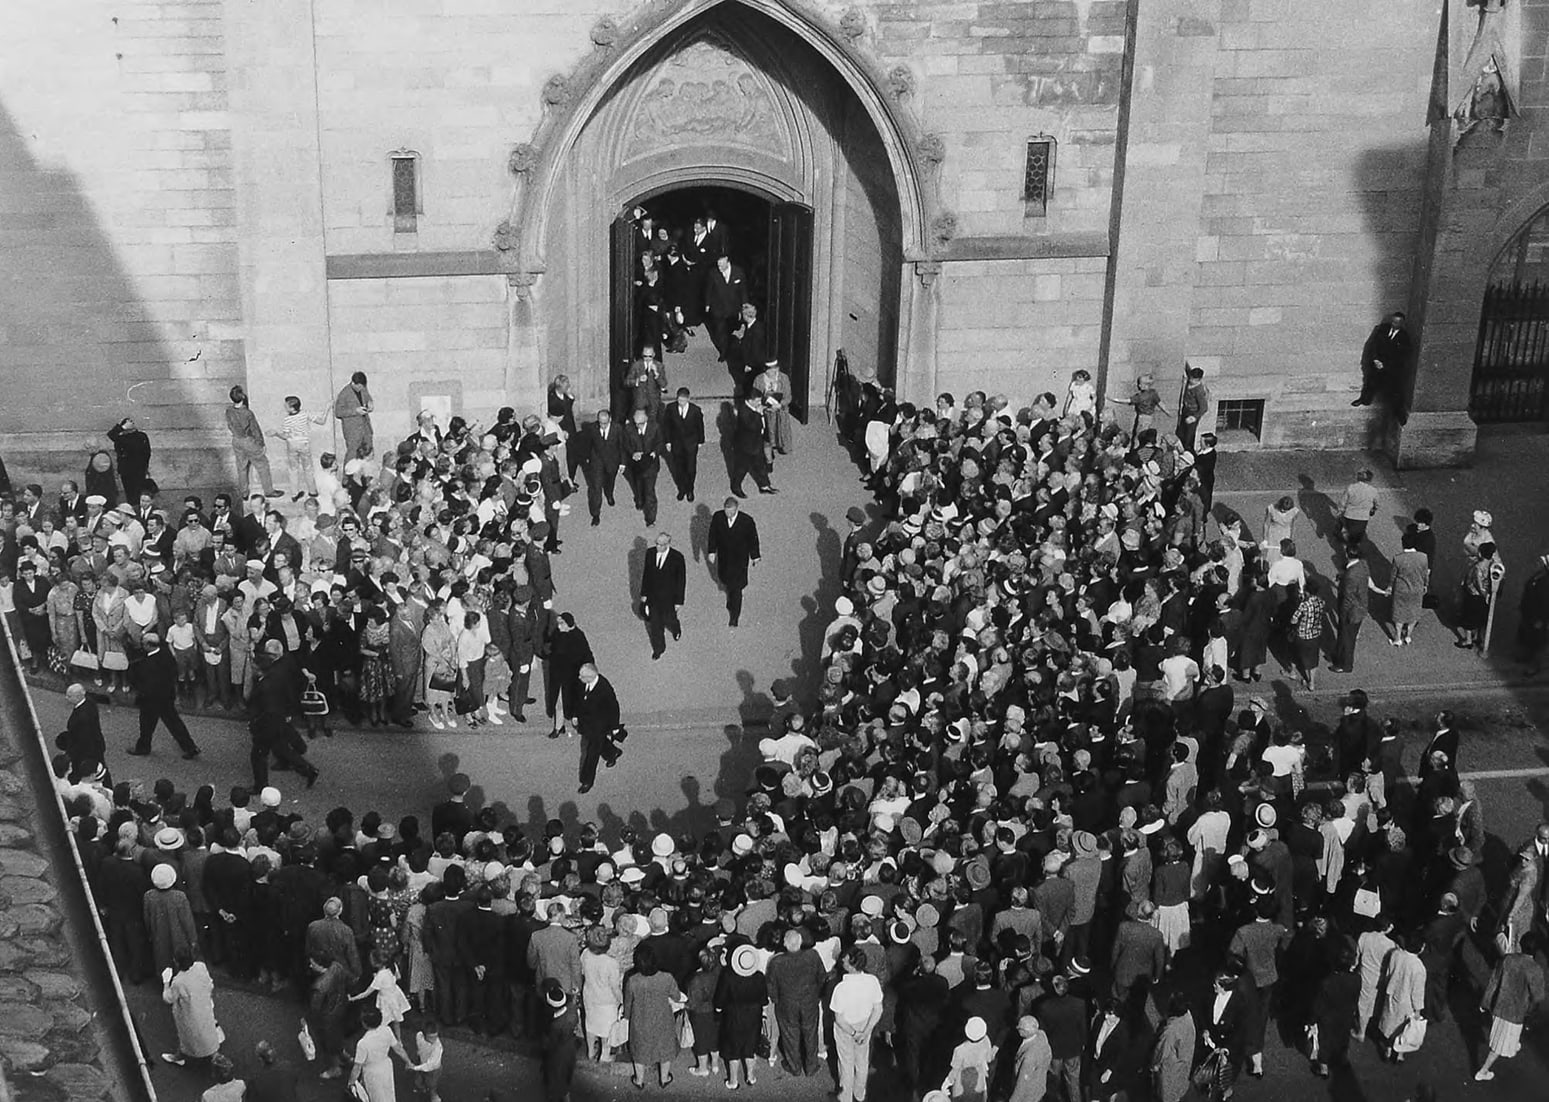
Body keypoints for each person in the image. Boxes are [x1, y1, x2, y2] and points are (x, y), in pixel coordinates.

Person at [1475, 933, 1547, 1081]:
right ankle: (1483, 1071)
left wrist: (1485, 1003)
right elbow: (1538, 996)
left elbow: (1494, 982)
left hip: (1498, 1005)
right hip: (1514, 1014)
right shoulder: (1535, 970)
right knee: (1498, 1046)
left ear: (1521, 944)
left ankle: (1512, 1044)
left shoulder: (1508, 959)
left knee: (1501, 1035)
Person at [127, 631, 201, 759]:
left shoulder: (147, 664)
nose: (142, 645)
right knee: (174, 723)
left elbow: (140, 682)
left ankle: (143, 748)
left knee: (146, 725)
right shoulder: (166, 654)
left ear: (149, 645)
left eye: (144, 644)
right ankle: (190, 747)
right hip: (166, 696)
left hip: (150, 699)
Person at [624, 942, 683, 1090]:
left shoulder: (632, 980)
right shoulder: (667, 978)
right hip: (663, 1018)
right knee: (665, 1047)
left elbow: (628, 1003)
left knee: (639, 1049)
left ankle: (639, 1080)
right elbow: (676, 996)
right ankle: (664, 1078)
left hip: (640, 1019)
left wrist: (627, 1017)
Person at [830, 946, 883, 1102]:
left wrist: (854, 1033)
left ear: (852, 966)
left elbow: (839, 1019)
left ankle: (845, 1096)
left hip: (846, 1029)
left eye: (846, 960)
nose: (842, 960)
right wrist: (865, 1032)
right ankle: (859, 1093)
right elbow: (878, 1009)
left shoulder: (840, 988)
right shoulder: (872, 981)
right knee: (862, 1061)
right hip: (865, 1024)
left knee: (846, 1063)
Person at [717, 943, 768, 1089]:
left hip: (733, 1017)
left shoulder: (728, 976)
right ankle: (750, 1077)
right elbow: (764, 1001)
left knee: (733, 1049)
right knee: (750, 1047)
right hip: (753, 1017)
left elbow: (719, 1001)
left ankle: (733, 1081)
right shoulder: (759, 977)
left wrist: (719, 1010)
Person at [161, 946, 220, 1070]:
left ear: (177, 962)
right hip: (204, 1007)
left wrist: (166, 982)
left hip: (189, 1015)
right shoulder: (201, 967)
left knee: (188, 1038)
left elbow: (168, 998)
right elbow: (210, 984)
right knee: (208, 1033)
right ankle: (217, 1060)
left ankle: (179, 1057)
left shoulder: (178, 981)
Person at [707, 497, 760, 628]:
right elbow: (713, 534)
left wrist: (755, 556)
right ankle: (731, 598)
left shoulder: (747, 521)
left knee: (737, 588)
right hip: (724, 559)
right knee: (726, 581)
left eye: (731, 512)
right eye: (726, 511)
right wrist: (711, 551)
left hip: (739, 561)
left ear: (736, 509)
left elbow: (753, 539)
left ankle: (734, 617)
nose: (728, 514)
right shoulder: (718, 517)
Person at [1377, 931, 1427, 1063]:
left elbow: (1389, 972)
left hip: (1392, 993)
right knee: (1404, 1028)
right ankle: (1399, 1054)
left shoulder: (1396, 954)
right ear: (1420, 948)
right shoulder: (1419, 967)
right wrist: (1418, 1010)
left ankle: (1388, 1049)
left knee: (1389, 1022)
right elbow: (1417, 992)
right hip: (1407, 1003)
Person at [573, 662, 621, 794]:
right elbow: (579, 700)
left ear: (590, 677)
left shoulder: (604, 689)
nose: (579, 678)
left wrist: (615, 727)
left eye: (582, 676)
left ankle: (587, 780)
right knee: (600, 743)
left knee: (591, 753)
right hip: (587, 723)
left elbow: (614, 708)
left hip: (599, 725)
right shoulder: (583, 684)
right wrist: (575, 715)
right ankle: (612, 753)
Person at [225, 385, 281, 498]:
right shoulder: (247, 413)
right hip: (248, 441)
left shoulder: (229, 411)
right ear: (242, 397)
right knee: (262, 465)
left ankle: (244, 492)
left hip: (236, 440)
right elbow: (255, 429)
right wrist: (261, 444)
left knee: (241, 467)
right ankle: (269, 491)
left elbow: (229, 425)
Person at [640, 531, 686, 660]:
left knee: (669, 619)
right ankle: (659, 648)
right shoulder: (650, 553)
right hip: (653, 597)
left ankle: (676, 629)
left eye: (661, 545)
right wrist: (644, 593)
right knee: (655, 625)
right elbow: (646, 574)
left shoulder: (677, 558)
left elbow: (681, 581)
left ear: (667, 544)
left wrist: (679, 601)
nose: (658, 547)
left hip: (669, 598)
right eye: (657, 544)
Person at [348, 1005, 408, 1102]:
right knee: (388, 1092)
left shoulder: (363, 1043)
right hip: (386, 1066)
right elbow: (398, 1049)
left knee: (376, 1096)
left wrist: (351, 1083)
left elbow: (357, 1067)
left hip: (372, 1071)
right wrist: (408, 1061)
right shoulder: (387, 1030)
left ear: (364, 1023)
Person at [1355, 311, 1411, 407]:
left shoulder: (1404, 337)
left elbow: (1401, 356)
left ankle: (1394, 409)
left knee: (1393, 388)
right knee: (1370, 382)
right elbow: (1374, 344)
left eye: (1396, 323)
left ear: (1401, 324)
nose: (1393, 324)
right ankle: (1364, 400)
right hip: (1377, 362)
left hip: (1390, 367)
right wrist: (1375, 359)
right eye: (1392, 321)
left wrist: (1385, 365)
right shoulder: (1383, 329)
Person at [578, 409, 623, 526]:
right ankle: (595, 514)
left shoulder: (617, 428)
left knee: (610, 481)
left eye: (605, 423)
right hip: (597, 461)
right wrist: (587, 458)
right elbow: (587, 444)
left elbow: (622, 446)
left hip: (612, 461)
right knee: (596, 488)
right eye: (600, 423)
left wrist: (622, 463)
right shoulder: (592, 428)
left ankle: (609, 494)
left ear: (610, 420)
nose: (602, 426)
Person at [56, 681, 107, 783]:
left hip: (85, 750)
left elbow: (82, 739)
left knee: (81, 772)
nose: (66, 698)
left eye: (69, 696)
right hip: (96, 744)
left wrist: (71, 754)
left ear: (78, 697)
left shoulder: (82, 717)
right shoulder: (90, 702)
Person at [661, 386, 705, 502]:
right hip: (677, 444)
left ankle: (690, 489)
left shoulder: (695, 410)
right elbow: (667, 426)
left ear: (688, 399)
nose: (681, 403)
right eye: (679, 400)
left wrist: (700, 441)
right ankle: (682, 489)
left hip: (691, 444)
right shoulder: (671, 408)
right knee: (679, 468)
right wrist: (668, 441)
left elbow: (700, 426)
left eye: (683, 401)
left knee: (690, 468)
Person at [621, 406, 662, 527]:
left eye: (640, 424)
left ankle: (650, 519)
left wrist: (655, 452)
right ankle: (639, 500)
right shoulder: (629, 428)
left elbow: (660, 442)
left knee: (649, 492)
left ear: (646, 420)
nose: (637, 426)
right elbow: (626, 444)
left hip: (650, 464)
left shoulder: (655, 427)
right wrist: (633, 453)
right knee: (638, 485)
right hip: (636, 465)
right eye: (635, 423)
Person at [540, 979, 580, 1101]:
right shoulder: (572, 1010)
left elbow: (550, 1043)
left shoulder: (555, 1025)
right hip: (570, 1048)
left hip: (558, 1053)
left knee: (555, 1079)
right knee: (567, 1075)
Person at [703, 254, 747, 361]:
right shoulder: (713, 273)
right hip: (718, 309)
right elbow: (709, 290)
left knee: (731, 329)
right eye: (718, 265)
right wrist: (707, 304)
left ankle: (732, 346)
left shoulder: (738, 272)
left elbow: (743, 291)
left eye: (721, 265)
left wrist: (744, 306)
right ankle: (724, 352)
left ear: (727, 261)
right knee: (720, 331)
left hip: (733, 308)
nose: (719, 268)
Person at [730, 393, 775, 497]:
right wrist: (758, 413)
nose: (759, 403)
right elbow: (752, 426)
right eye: (757, 401)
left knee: (761, 466)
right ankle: (735, 486)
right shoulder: (744, 411)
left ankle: (764, 486)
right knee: (741, 469)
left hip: (757, 442)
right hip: (745, 447)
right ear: (750, 400)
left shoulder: (755, 408)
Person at [752, 359, 794, 459]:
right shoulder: (759, 379)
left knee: (781, 431)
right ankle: (768, 450)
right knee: (767, 434)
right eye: (769, 370)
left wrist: (780, 404)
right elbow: (754, 396)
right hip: (766, 412)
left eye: (774, 369)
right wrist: (761, 405)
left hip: (780, 411)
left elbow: (788, 397)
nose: (771, 372)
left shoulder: (784, 378)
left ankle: (782, 446)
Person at [107, 416, 152, 505]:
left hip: (138, 470)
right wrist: (122, 427)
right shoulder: (121, 437)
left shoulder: (140, 436)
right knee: (129, 494)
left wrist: (146, 468)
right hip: (126, 471)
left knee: (137, 494)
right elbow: (111, 435)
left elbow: (147, 453)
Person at [1517, 550, 1549, 675]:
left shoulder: (1546, 582)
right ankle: (1527, 656)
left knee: (1537, 643)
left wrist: (1541, 620)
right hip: (1530, 614)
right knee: (1527, 637)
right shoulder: (1539, 576)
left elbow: (1545, 604)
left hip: (1539, 619)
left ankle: (1534, 666)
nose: (1539, 563)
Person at [1009, 1014, 1053, 1102]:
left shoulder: (1029, 1057)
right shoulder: (1041, 1035)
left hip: (1028, 1096)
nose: (1018, 1029)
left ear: (1025, 1031)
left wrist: (1013, 1100)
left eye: (1020, 1028)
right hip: (1039, 1085)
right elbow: (1049, 1056)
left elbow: (1021, 1085)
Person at [334, 372, 374, 460]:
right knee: (352, 454)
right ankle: (348, 469)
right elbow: (338, 412)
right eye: (359, 387)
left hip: (365, 428)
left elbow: (367, 397)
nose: (361, 389)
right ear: (353, 383)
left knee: (368, 453)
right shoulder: (344, 394)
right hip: (353, 431)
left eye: (362, 387)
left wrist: (370, 403)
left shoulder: (363, 389)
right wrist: (355, 411)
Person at [1337, 468, 1379, 547]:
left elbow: (1343, 502)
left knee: (1347, 533)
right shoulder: (1373, 490)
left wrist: (1340, 512)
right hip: (1363, 517)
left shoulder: (1351, 487)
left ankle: (1347, 546)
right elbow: (1376, 504)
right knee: (1358, 536)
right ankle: (1354, 548)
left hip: (1349, 515)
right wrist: (1373, 509)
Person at [1176, 365, 1210, 451]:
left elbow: (1204, 407)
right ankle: (1180, 449)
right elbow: (1187, 368)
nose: (1191, 380)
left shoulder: (1199, 391)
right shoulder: (1190, 380)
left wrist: (1194, 417)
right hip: (1186, 410)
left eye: (1194, 380)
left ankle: (1188, 451)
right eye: (1190, 378)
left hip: (1192, 413)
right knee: (1181, 432)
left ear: (1199, 380)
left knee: (1189, 435)